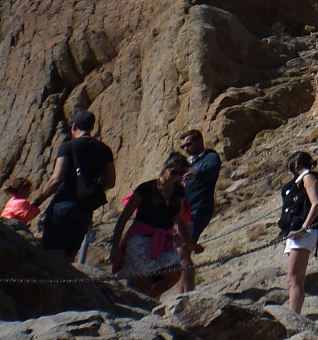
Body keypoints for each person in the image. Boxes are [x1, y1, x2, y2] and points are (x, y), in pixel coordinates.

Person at [32, 109, 115, 265]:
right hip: (85, 208)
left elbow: (56, 179)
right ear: (92, 127)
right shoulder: (104, 150)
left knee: (53, 257)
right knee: (69, 259)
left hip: (64, 204)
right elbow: (111, 182)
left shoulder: (68, 146)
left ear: (74, 127)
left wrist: (37, 201)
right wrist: (90, 188)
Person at [109, 154, 196, 297]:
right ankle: (147, 301)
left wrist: (189, 242)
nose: (176, 177)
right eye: (174, 172)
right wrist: (115, 248)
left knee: (175, 271)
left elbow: (178, 220)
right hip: (139, 240)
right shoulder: (146, 189)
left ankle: (151, 298)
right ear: (165, 168)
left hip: (163, 240)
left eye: (181, 173)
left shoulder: (179, 191)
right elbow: (123, 219)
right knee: (143, 282)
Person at [273, 151, 318, 315]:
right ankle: (295, 313)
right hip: (298, 232)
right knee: (294, 278)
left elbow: (316, 204)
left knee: (293, 278)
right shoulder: (301, 180)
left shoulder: (308, 178)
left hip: (304, 232)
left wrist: (304, 227)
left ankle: (294, 315)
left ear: (295, 165)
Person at [176, 129, 221, 249]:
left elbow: (212, 170)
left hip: (200, 208)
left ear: (200, 141)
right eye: (183, 147)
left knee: (185, 242)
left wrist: (197, 175)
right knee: (178, 242)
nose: (186, 149)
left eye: (188, 144)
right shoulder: (187, 163)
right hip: (184, 210)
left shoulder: (210, 157)